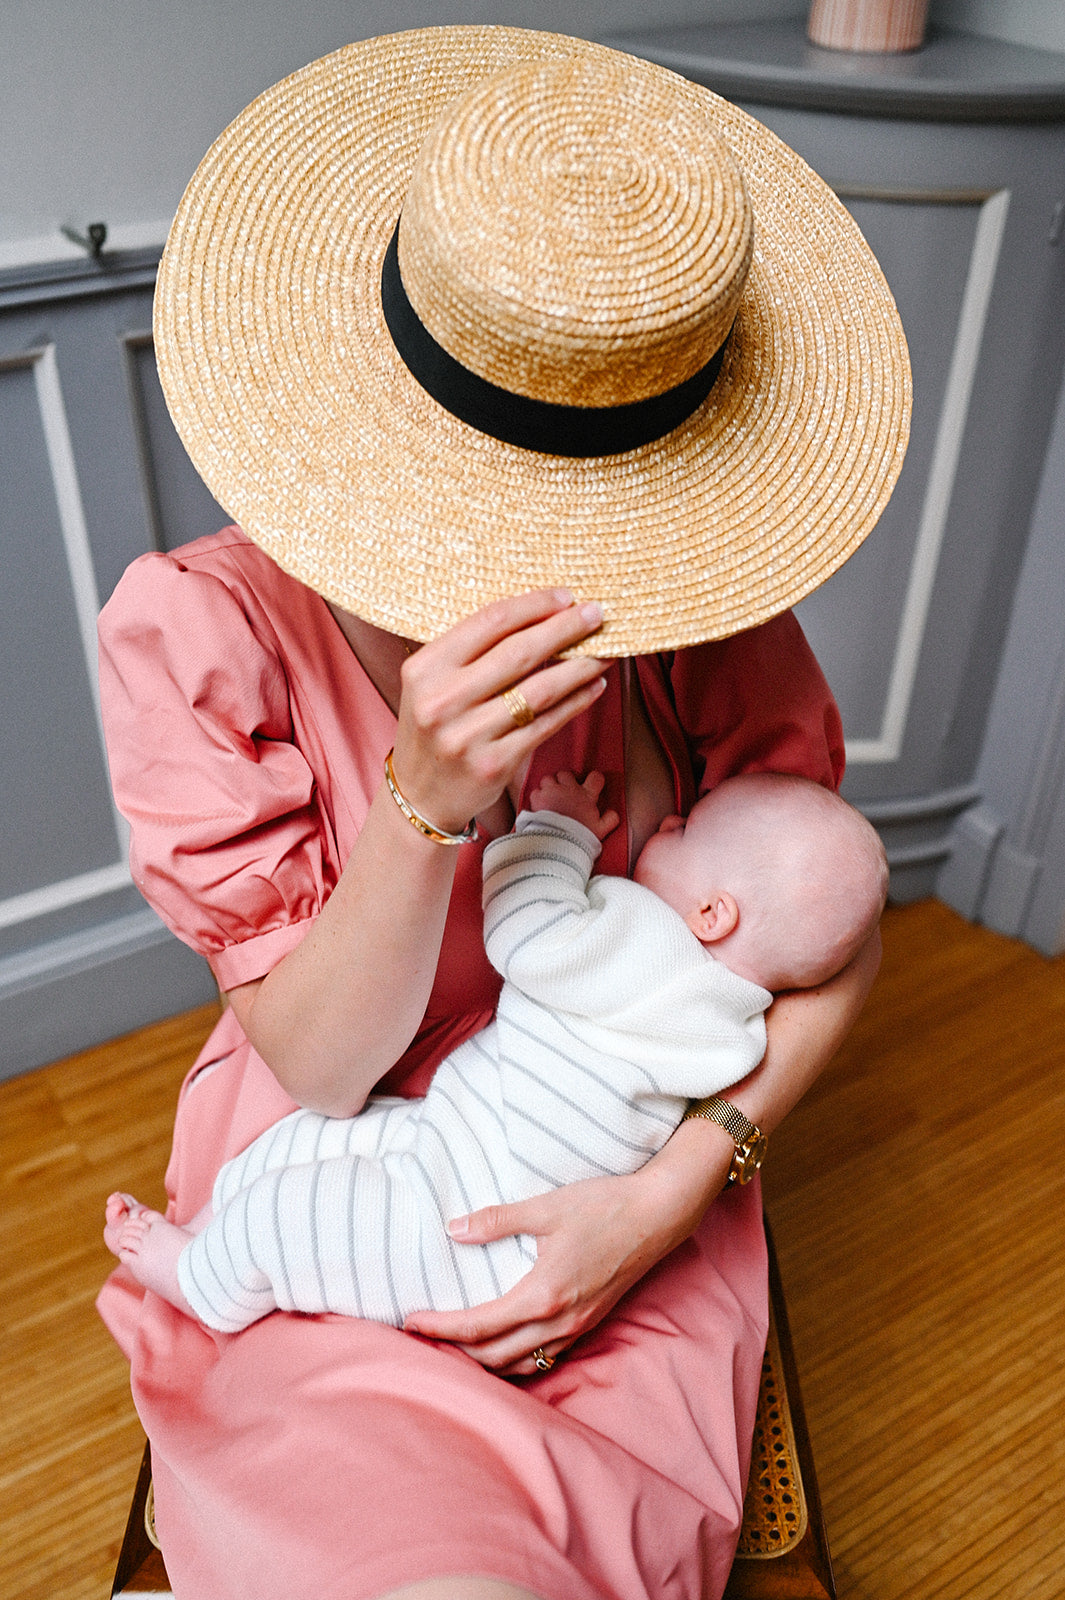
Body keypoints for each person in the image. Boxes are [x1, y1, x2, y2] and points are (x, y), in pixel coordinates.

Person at [96, 26, 910, 1600]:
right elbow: (325, 1068)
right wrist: (424, 806)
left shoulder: (690, 609)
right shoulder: (202, 634)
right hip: (338, 1173)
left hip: (615, 1182)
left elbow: (834, 941)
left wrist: (679, 1190)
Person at [104, 769, 887, 1333]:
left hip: (464, 1225)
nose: (668, 825)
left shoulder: (638, 943)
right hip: (478, 1164)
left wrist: (559, 833)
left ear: (712, 913)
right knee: (322, 1148)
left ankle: (205, 1280)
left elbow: (522, 922)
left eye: (686, 826)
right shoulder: (737, 1025)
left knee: (298, 1210)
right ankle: (220, 1224)